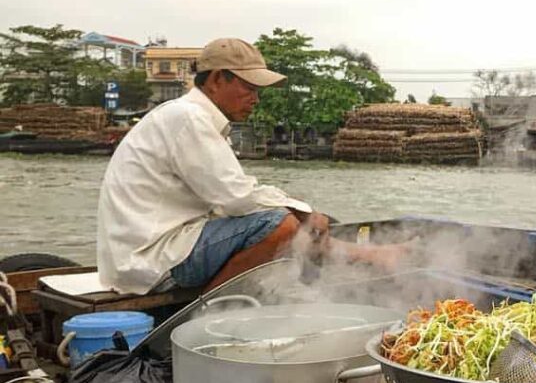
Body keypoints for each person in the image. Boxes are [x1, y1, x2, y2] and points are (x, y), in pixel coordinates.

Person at [97, 37, 405, 295]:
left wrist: (302, 213)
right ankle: (205, 311)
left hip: (145, 253)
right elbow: (237, 199)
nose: (256, 99)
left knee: (292, 222)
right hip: (150, 257)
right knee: (279, 225)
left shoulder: (187, 117)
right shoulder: (188, 118)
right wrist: (304, 211)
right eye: (249, 88)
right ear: (218, 79)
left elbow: (230, 197)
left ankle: (376, 255)